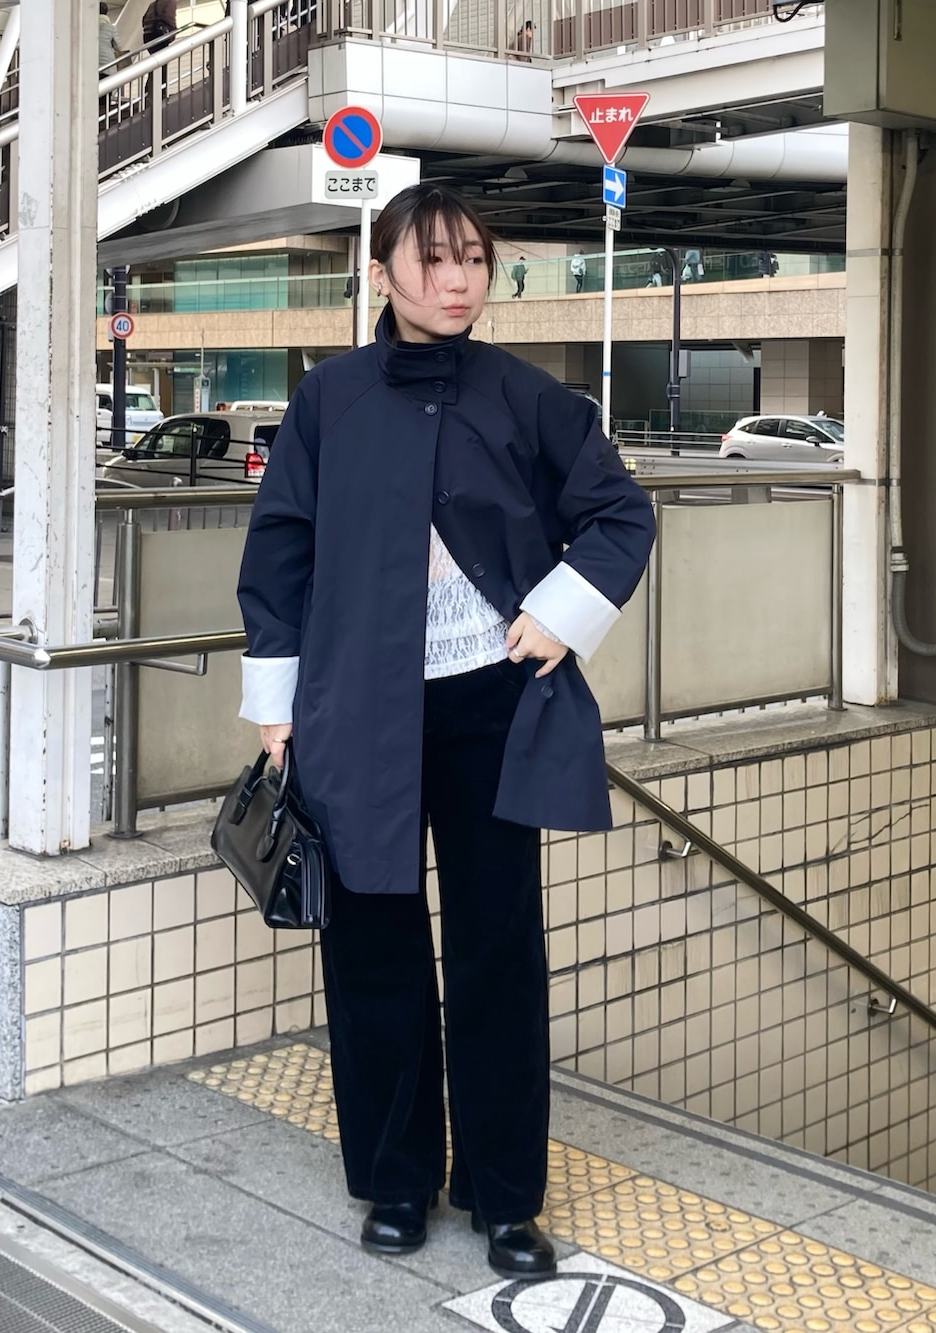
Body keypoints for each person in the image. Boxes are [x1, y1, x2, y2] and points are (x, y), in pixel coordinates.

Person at [236, 183, 655, 1282]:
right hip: (355, 708)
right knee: (372, 945)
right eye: (431, 261)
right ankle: (395, 1179)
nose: (457, 280)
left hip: (488, 703)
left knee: (496, 949)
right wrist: (276, 705)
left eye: (473, 259)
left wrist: (558, 614)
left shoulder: (526, 394)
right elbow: (280, 548)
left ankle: (506, 1195)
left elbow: (619, 511)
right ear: (380, 274)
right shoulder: (329, 398)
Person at [98, 2, 125, 72]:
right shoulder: (111, 28)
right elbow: (118, 46)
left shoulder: (89, 28)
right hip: (107, 64)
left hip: (92, 63)